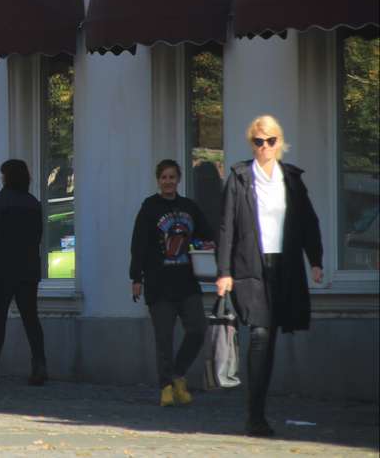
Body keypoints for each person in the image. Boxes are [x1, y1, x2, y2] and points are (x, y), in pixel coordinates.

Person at [216, 115, 323, 438]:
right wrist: (223, 272)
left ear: (280, 143)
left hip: (284, 267)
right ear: (252, 143)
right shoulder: (239, 177)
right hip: (250, 266)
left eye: (270, 141)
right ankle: (255, 415)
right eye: (258, 142)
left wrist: (315, 261)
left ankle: (258, 407)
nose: (264, 147)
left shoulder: (291, 179)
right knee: (260, 335)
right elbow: (226, 226)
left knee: (271, 336)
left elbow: (308, 221)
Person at [129, 159, 213, 407]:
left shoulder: (189, 207)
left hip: (187, 281)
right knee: (164, 339)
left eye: (172, 177)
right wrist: (136, 278)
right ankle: (166, 386)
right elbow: (139, 244)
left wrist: (208, 246)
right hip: (159, 283)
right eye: (164, 177)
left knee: (197, 329)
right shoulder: (149, 207)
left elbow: (205, 235)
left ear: (178, 180)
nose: (168, 181)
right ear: (158, 180)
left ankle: (178, 374)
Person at [0, 159, 47, 385]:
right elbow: (38, 238)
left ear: (7, 177)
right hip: (28, 270)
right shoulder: (33, 204)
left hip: (2, 270)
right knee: (31, 319)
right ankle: (39, 366)